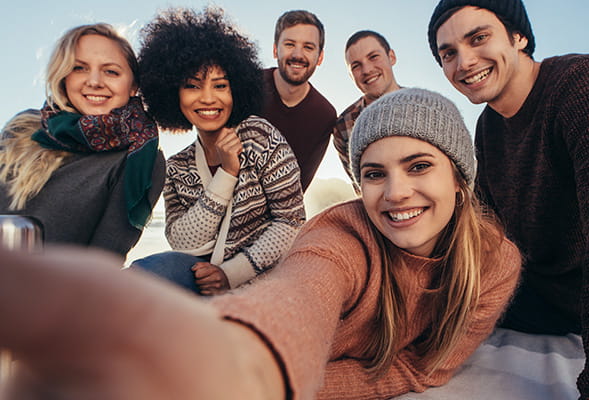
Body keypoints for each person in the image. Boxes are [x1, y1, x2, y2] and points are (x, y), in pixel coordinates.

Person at [0, 88, 520, 399]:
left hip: (245, 276)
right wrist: (243, 360)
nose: (396, 191)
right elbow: (303, 286)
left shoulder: (495, 265)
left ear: (460, 178)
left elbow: (288, 222)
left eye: (420, 166)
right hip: (233, 289)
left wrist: (236, 275)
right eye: (374, 174)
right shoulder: (342, 237)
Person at [428, 0, 589, 398]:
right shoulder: (488, 129)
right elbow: (488, 239)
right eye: (449, 53)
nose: (465, 61)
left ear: (519, 36)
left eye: (479, 38)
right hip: (547, 296)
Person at [130, 8, 305, 295]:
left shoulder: (260, 137)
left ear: (235, 89)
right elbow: (182, 243)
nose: (208, 98)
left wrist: (230, 274)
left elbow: (291, 221)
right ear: (174, 94)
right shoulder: (176, 166)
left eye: (220, 85)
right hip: (198, 276)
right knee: (138, 277)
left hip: (265, 278)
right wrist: (227, 173)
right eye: (192, 86)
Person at [0, 23, 165, 259]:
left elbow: (105, 261)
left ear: (133, 86)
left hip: (54, 291)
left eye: (111, 71)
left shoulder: (140, 156)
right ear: (64, 77)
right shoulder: (23, 127)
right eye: (79, 68)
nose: (94, 81)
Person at [260, 10, 336, 192]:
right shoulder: (247, 85)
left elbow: (298, 187)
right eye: (289, 44)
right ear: (274, 50)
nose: (297, 54)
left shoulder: (324, 115)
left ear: (320, 57)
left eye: (308, 47)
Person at [333, 30, 401, 188]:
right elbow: (361, 188)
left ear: (391, 57)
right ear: (351, 76)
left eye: (373, 57)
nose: (367, 70)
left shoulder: (427, 107)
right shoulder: (344, 124)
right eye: (356, 66)